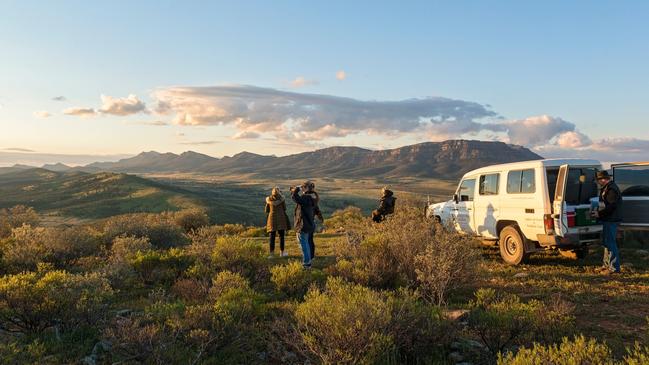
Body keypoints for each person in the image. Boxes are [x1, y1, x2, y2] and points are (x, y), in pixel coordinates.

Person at [593, 170, 623, 274]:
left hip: (611, 220)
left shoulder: (611, 189)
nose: (598, 182)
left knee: (610, 243)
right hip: (608, 219)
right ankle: (606, 265)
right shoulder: (608, 188)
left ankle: (614, 269)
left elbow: (611, 206)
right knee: (606, 243)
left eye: (599, 180)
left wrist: (599, 214)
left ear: (603, 179)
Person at [291, 181, 318, 268]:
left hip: (303, 225)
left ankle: (307, 263)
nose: (301, 189)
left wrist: (296, 189)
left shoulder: (306, 198)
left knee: (304, 244)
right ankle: (308, 261)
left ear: (306, 188)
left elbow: (295, 198)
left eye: (303, 187)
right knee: (306, 243)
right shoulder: (311, 198)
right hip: (309, 224)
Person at [265, 187, 290, 258]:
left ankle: (271, 254)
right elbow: (284, 208)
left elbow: (266, 210)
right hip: (281, 218)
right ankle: (282, 253)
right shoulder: (282, 199)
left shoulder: (269, 199)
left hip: (272, 219)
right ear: (279, 192)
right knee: (281, 236)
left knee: (272, 237)